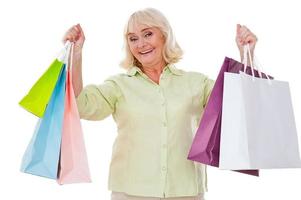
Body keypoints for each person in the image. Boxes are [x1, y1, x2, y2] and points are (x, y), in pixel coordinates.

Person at [62, 8, 257, 200]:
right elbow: (79, 105)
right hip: (131, 193)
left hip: (186, 192)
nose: (141, 44)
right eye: (133, 38)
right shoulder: (118, 85)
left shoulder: (196, 83)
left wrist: (246, 55)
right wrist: (76, 55)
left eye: (148, 34)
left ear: (164, 35)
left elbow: (236, 109)